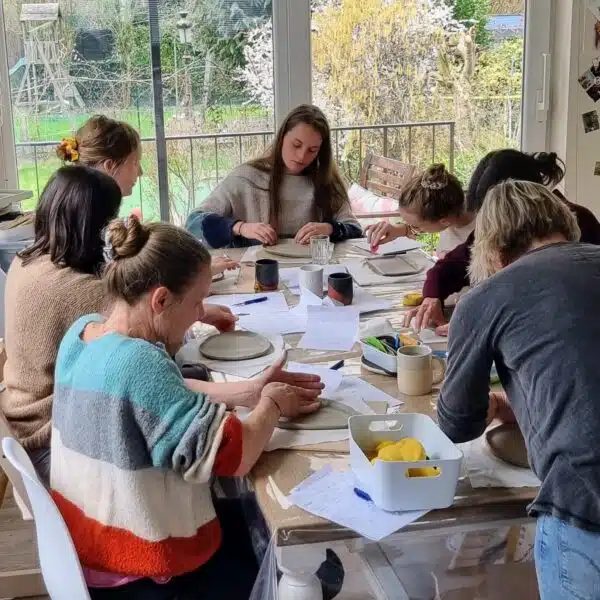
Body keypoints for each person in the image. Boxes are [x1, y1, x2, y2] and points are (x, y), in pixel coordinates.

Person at [49, 216, 322, 599]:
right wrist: (273, 403)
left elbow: (150, 399)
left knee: (253, 516)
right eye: (196, 303)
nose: (199, 314)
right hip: (142, 565)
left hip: (93, 545)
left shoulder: (83, 333)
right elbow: (235, 455)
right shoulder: (141, 364)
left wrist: (248, 392)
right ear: (160, 300)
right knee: (319, 563)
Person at [2, 166, 239, 485]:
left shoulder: (27, 260)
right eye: (111, 218)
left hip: (23, 418)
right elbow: (153, 355)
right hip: (52, 436)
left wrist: (196, 299)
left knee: (198, 381)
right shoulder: (80, 291)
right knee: (203, 426)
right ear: (94, 226)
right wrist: (197, 306)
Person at [437, 179, 600, 600]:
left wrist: (490, 403)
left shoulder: (489, 294)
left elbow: (457, 424)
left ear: (492, 252)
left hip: (587, 506)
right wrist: (523, 401)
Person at [405, 150, 600, 333]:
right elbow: (455, 264)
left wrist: (483, 324)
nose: (490, 221)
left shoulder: (580, 224)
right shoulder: (499, 223)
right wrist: (432, 296)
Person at [57, 115, 238, 275]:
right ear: (110, 166)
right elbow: (128, 279)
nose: (140, 172)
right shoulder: (93, 223)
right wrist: (194, 277)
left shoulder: (80, 208)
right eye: (135, 162)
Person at [186, 105, 362, 248]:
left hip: (312, 272)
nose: (302, 156)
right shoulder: (245, 178)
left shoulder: (325, 182)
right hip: (255, 272)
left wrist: (330, 229)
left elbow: (354, 229)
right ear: (282, 138)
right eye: (296, 145)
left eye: (312, 150)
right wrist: (240, 227)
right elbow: (193, 223)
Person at [363, 164, 474, 254]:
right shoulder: (450, 207)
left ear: (444, 221)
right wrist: (397, 230)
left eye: (415, 226)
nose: (413, 228)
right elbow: (425, 222)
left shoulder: (478, 238)